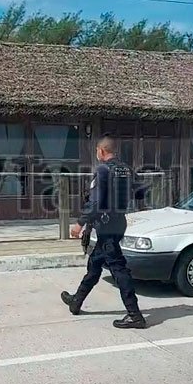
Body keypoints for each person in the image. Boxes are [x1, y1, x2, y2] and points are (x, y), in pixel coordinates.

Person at [61, 135, 145, 329]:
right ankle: (77, 300)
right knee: (95, 264)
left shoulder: (103, 170)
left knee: (118, 268)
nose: (96, 154)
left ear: (102, 151)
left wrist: (80, 223)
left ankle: (135, 315)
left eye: (97, 151)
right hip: (119, 222)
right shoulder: (126, 169)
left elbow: (96, 202)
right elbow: (140, 192)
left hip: (107, 225)